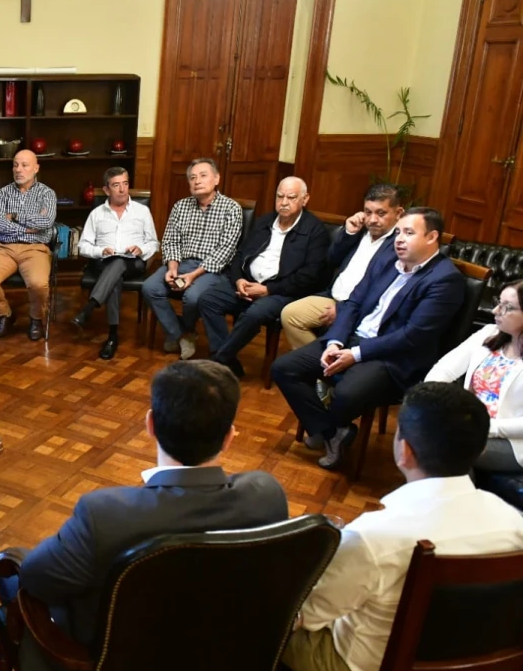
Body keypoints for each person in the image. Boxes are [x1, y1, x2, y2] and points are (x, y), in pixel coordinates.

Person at [0, 361, 287, 671]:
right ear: (229, 436)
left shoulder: (103, 515)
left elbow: (35, 579)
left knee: (13, 573)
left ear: (149, 424)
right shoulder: (267, 495)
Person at [270, 382, 523, 671]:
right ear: (481, 449)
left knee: (273, 623)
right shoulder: (515, 524)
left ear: (403, 450)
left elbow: (306, 614)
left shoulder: (375, 536)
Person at [271, 208, 463, 470]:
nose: (399, 239)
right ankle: (333, 432)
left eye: (409, 233)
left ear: (432, 237)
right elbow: (353, 302)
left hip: (393, 357)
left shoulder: (445, 280)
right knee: (284, 368)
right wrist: (335, 342)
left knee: (347, 393)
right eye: (397, 232)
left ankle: (324, 429)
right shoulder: (386, 260)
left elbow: (413, 335)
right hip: (351, 339)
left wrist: (356, 354)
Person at [198, 177, 330, 378]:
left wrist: (268, 290)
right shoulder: (264, 221)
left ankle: (218, 362)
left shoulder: (315, 231)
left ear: (305, 199)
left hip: (282, 291)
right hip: (248, 282)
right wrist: (238, 279)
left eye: (291, 197)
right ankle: (228, 360)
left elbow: (309, 277)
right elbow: (240, 255)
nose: (284, 202)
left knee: (254, 314)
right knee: (208, 300)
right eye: (280, 196)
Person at [280, 184, 403, 351]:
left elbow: (380, 291)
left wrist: (343, 308)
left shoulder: (399, 244)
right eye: (368, 212)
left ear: (398, 213)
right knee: (290, 314)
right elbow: (331, 260)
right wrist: (349, 233)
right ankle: (320, 365)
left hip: (362, 308)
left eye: (381, 213)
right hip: (332, 296)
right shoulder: (360, 231)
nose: (373, 219)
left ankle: (322, 365)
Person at [141, 158, 243, 360]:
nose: (197, 181)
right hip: (182, 263)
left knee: (193, 296)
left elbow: (226, 250)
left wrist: (194, 275)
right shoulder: (181, 206)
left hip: (213, 270)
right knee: (149, 287)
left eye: (203, 176)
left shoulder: (231, 209)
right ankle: (183, 335)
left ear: (216, 179)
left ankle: (180, 331)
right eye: (192, 178)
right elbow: (170, 240)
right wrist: (172, 267)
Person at [426, 279, 523, 475]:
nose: (495, 311)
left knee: (449, 450)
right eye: (499, 302)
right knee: (426, 432)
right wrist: (429, 400)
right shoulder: (489, 333)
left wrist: (483, 426)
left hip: (511, 441)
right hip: (469, 423)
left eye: (508, 307)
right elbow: (444, 369)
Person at [71, 167, 158, 359]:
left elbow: (153, 243)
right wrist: (100, 250)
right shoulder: (96, 214)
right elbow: (83, 246)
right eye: (116, 185)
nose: (122, 190)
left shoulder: (142, 212)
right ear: (107, 189)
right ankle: (112, 336)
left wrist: (140, 249)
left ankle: (89, 308)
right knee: (115, 271)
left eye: (125, 184)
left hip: (134, 263)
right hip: (104, 262)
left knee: (119, 263)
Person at [0, 149, 57, 341]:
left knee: (39, 284)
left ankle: (36, 319)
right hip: (4, 248)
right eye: (15, 165)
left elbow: (45, 223)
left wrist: (14, 217)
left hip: (35, 249)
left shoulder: (47, 194)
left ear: (36, 168)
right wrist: (28, 228)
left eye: (24, 165)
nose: (18, 170)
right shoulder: (2, 194)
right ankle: (5, 314)